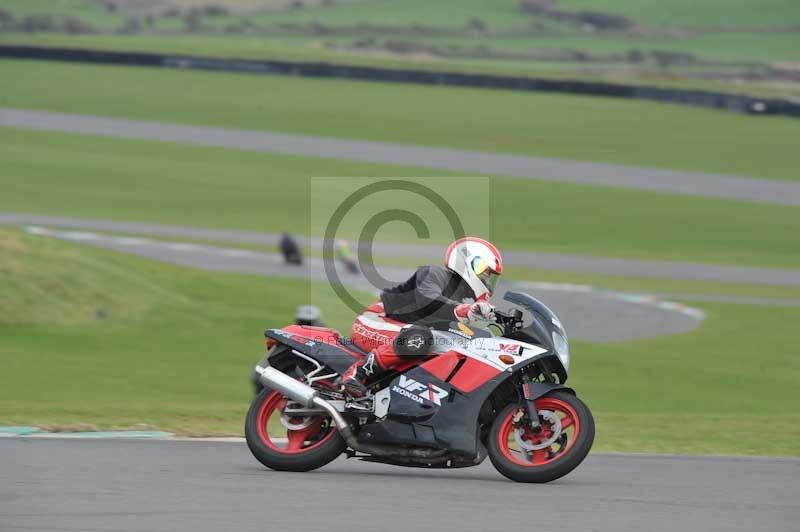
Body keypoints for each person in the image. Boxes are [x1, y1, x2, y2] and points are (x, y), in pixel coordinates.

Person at [342, 237, 503, 396]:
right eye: (485, 272)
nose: (487, 280)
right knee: (421, 338)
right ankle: (356, 373)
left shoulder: (457, 299)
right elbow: (428, 299)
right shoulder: (433, 273)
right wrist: (464, 310)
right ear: (468, 262)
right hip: (374, 321)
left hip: (398, 332)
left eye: (490, 277)